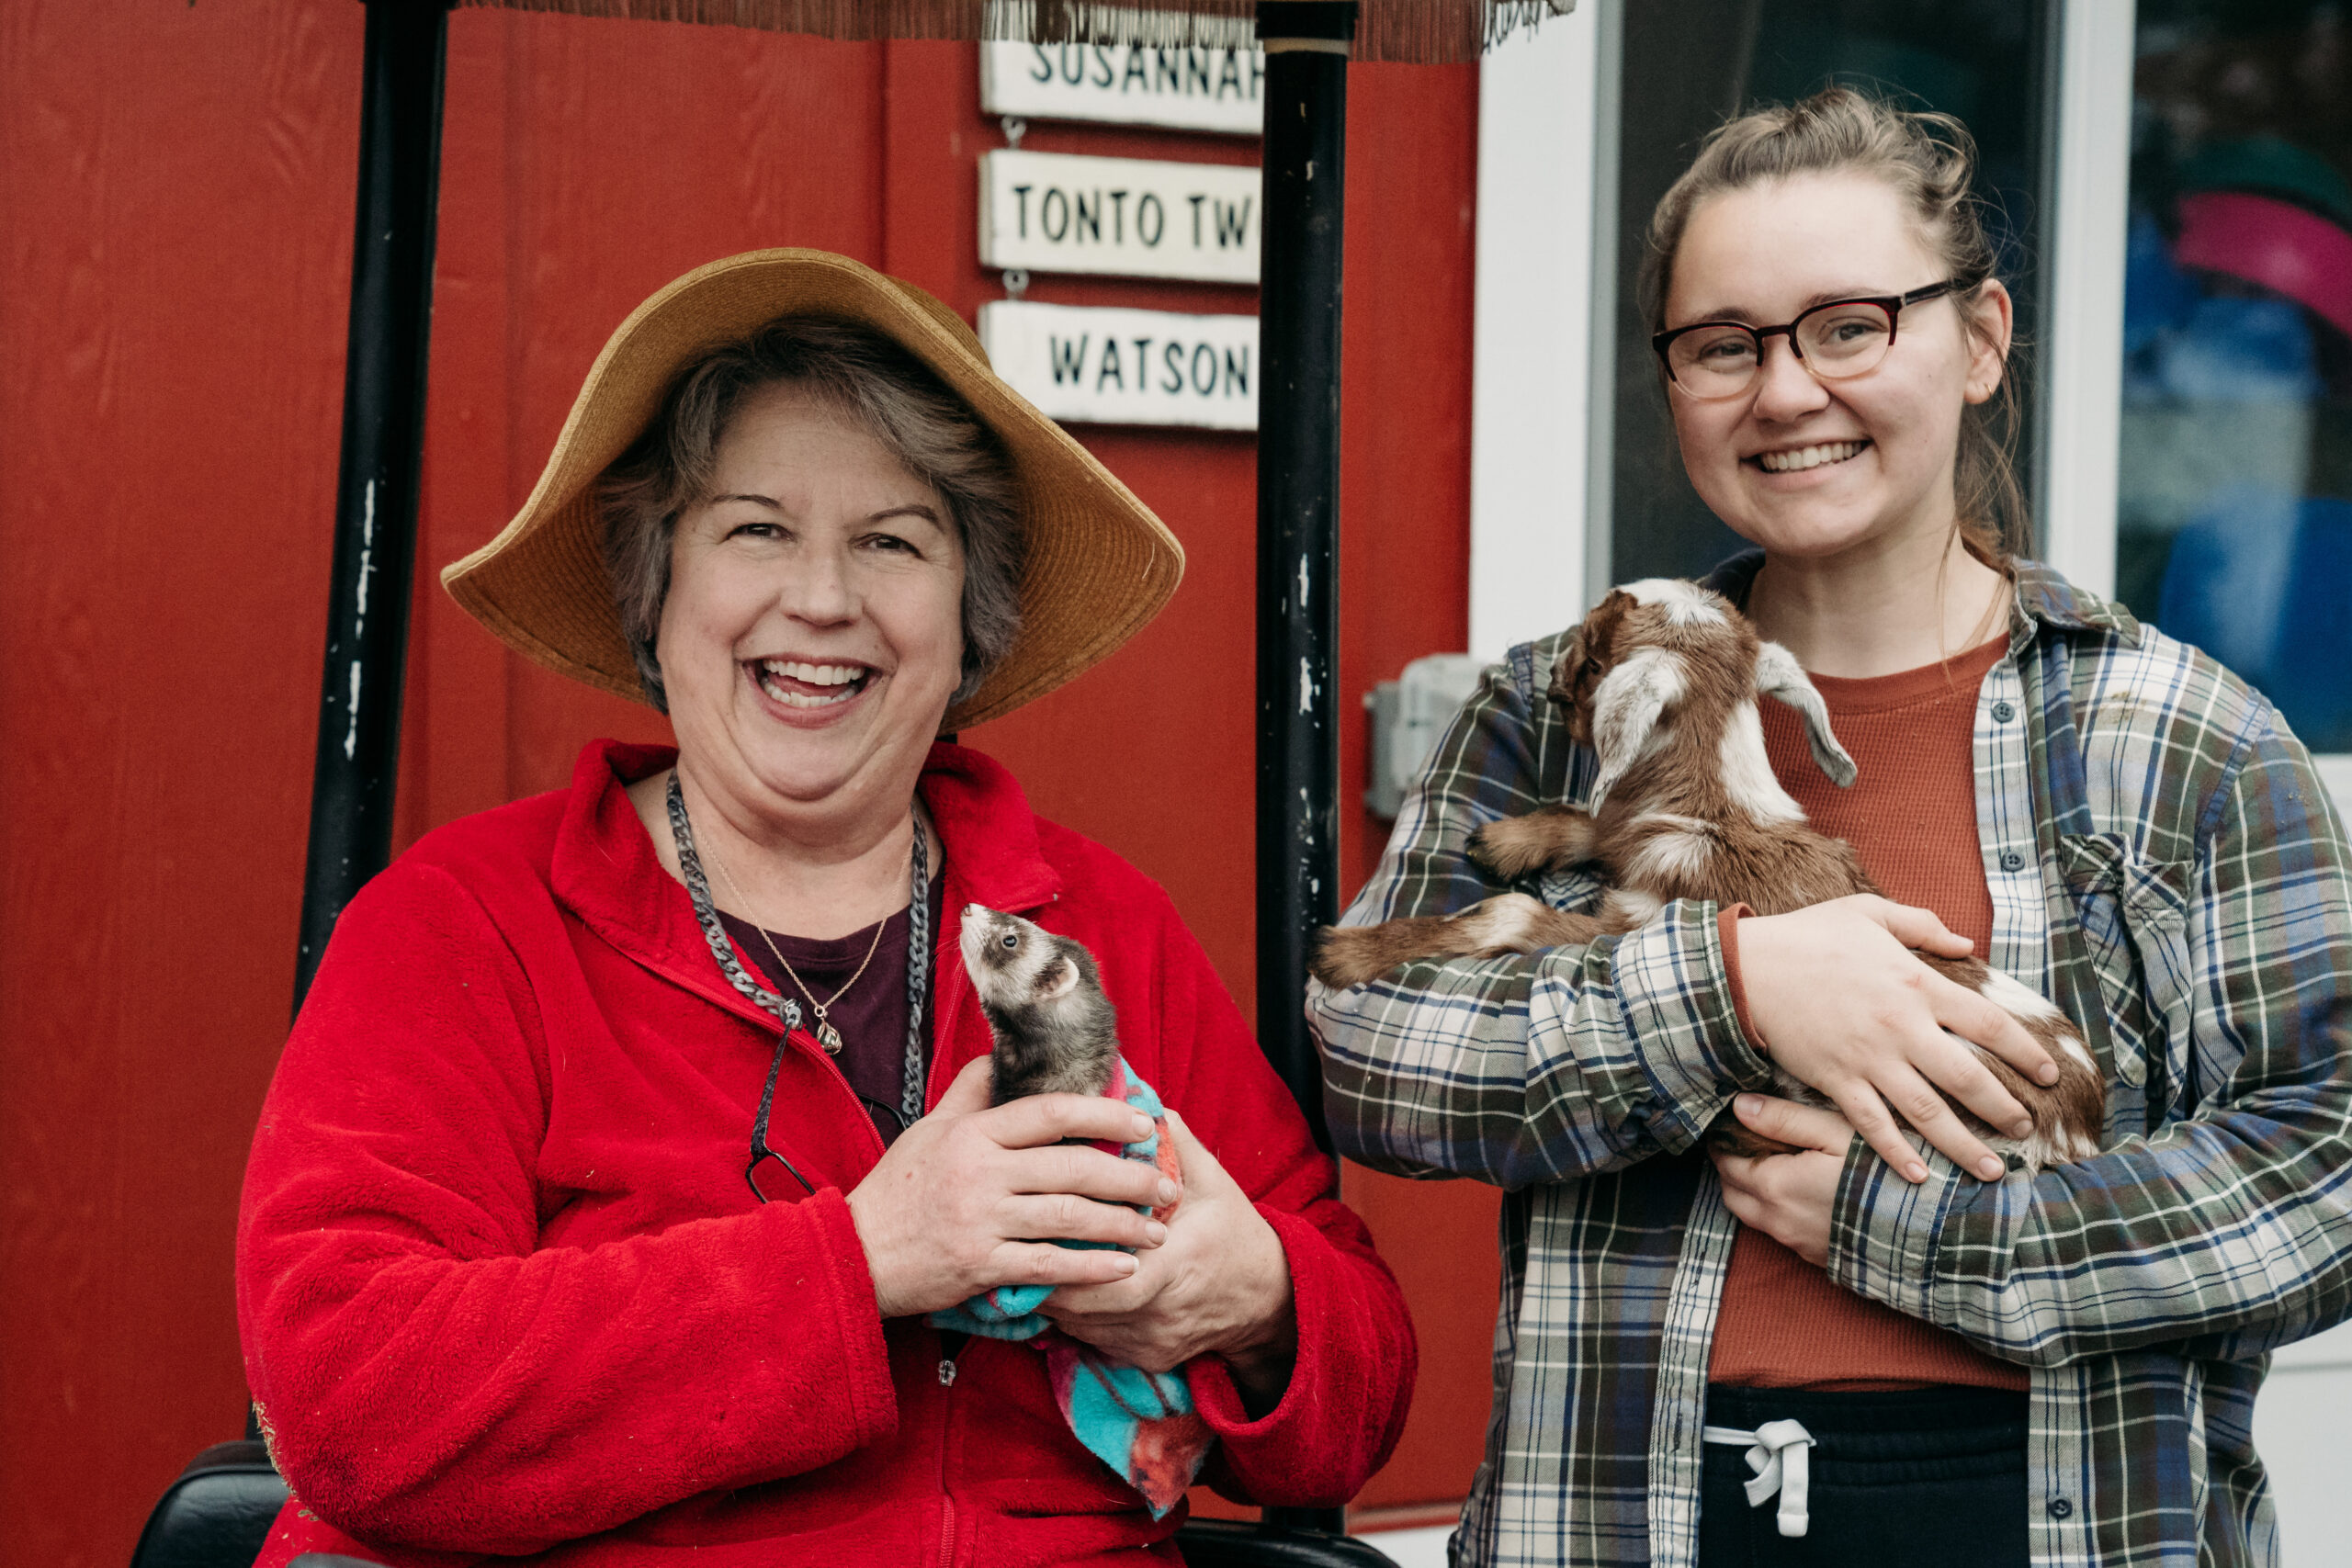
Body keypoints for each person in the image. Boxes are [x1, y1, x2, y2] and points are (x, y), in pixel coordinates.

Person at [237, 248, 1414, 1568]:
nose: (822, 599)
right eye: (755, 528)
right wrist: (863, 1261)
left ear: (968, 616)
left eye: (892, 541)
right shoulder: (466, 923)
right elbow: (349, 1400)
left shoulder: (1095, 924)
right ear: (657, 582)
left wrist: (1255, 1302)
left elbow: (1352, 1401)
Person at [1313, 88, 2352, 1568]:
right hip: (1627, 1517)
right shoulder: (1573, 703)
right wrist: (1737, 988)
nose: (1786, 392)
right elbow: (1373, 1047)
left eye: (1851, 325)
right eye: (1724, 345)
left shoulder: (2179, 744)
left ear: (1981, 339)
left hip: (2054, 1516)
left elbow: (2326, 1168)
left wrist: (1918, 1237)